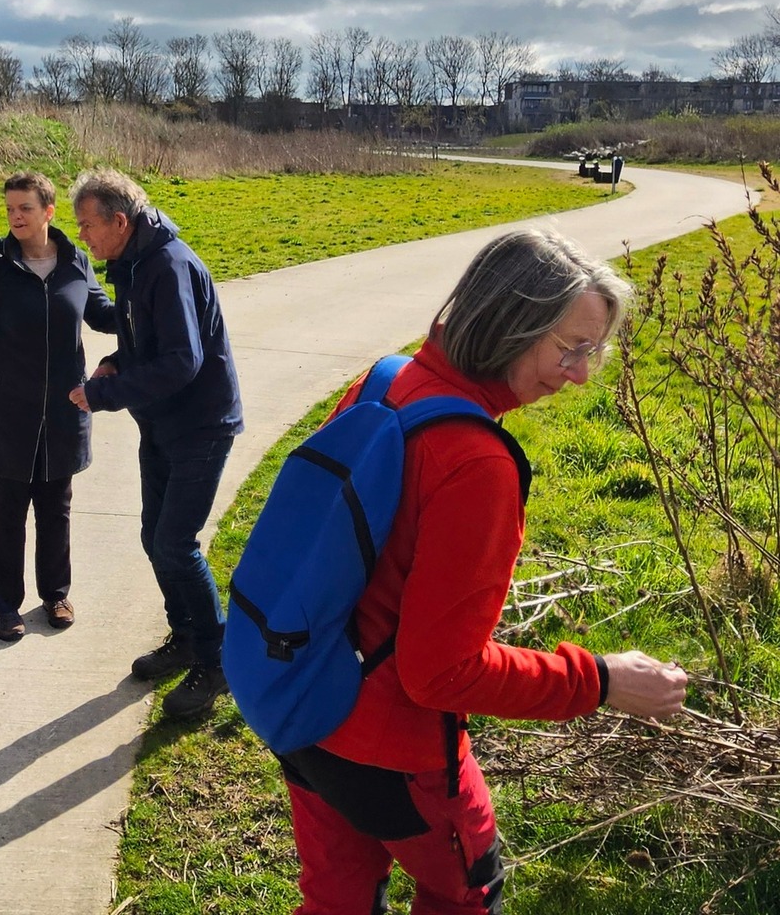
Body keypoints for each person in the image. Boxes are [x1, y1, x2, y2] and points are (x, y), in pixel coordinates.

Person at [277, 228, 689, 915]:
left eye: (596, 349)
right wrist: (603, 680)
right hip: (394, 751)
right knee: (467, 893)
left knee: (336, 900)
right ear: (509, 325)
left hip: (300, 703)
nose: (584, 372)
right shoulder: (476, 466)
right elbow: (440, 672)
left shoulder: (383, 381)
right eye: (572, 348)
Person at [68, 168, 244, 720]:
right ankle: (187, 636)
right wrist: (120, 360)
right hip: (164, 424)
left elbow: (182, 360)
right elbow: (148, 340)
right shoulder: (134, 260)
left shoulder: (166, 265)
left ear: (119, 221)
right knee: (154, 535)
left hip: (201, 426)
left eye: (87, 226)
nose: (83, 237)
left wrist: (105, 393)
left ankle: (216, 663)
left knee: (175, 542)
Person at [0, 171, 116, 642]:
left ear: (48, 212)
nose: (15, 217)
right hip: (6, 410)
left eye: (24, 208)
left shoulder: (75, 262)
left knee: (56, 507)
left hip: (65, 407)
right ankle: (5, 606)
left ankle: (55, 594)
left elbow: (103, 314)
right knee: (8, 510)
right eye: (9, 209)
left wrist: (142, 307)